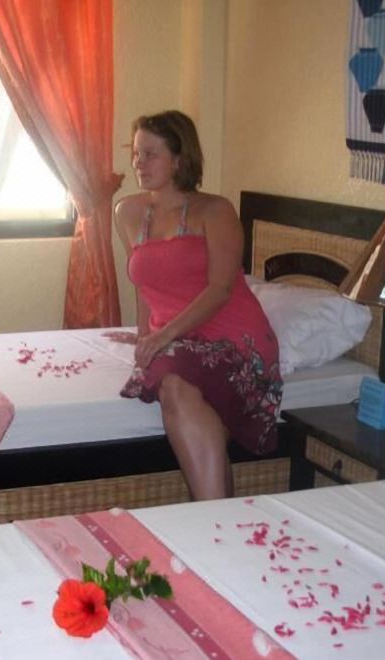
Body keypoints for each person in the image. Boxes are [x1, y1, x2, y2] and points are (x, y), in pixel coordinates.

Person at [111, 110, 282, 501]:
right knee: (176, 384)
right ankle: (219, 510)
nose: (138, 163)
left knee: (172, 381)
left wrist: (162, 338)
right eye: (136, 153)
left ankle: (212, 511)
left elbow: (220, 289)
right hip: (178, 337)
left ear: (179, 158)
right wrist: (144, 336)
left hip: (233, 338)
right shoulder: (128, 211)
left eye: (150, 154)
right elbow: (144, 284)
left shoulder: (216, 211)